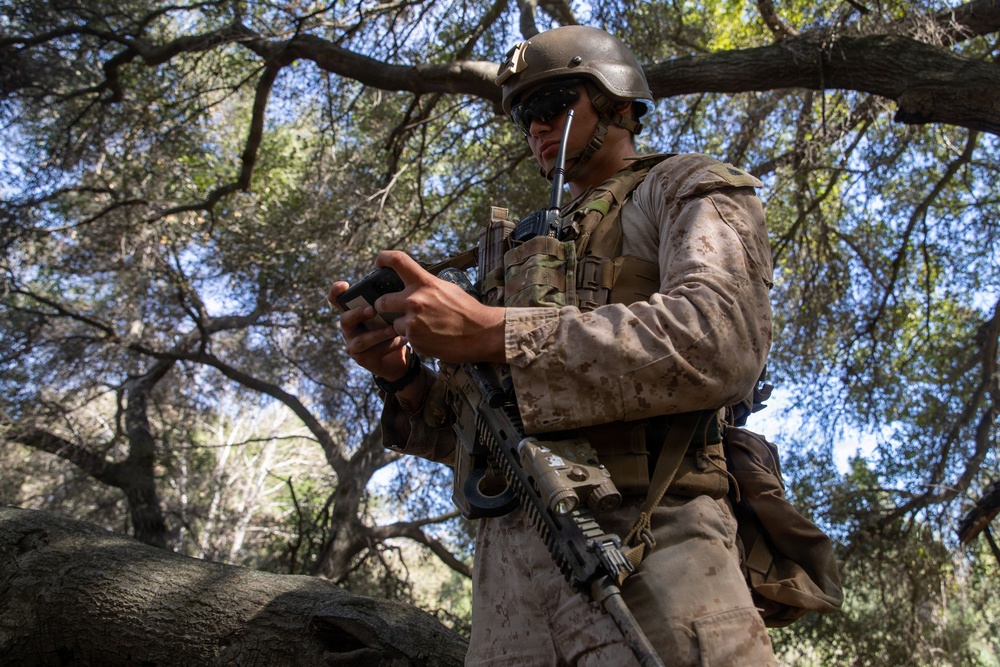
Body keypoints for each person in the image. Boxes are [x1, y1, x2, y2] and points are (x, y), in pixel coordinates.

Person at [330, 24, 777, 666]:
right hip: (511, 589)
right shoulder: (517, 251)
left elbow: (720, 339)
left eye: (553, 106)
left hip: (658, 548)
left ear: (620, 104)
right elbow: (484, 431)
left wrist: (492, 331)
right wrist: (404, 376)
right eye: (524, 118)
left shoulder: (685, 187)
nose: (536, 127)